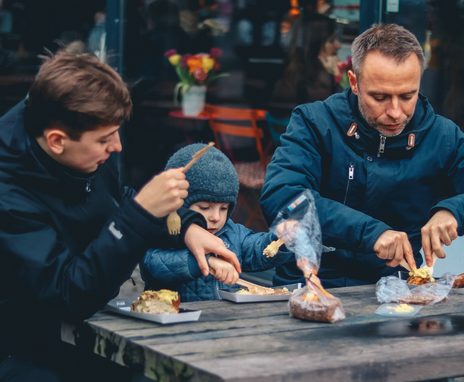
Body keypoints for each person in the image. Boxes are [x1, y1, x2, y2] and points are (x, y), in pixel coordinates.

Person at [0, 52, 240, 381]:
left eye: (117, 132)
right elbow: (68, 294)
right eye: (105, 139)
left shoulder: (83, 146)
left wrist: (185, 228)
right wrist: (139, 213)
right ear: (57, 141)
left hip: (75, 331)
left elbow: (114, 202)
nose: (117, 146)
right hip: (11, 347)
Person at [261, 23, 464, 289]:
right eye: (379, 97)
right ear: (354, 83)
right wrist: (371, 233)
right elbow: (282, 196)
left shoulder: (444, 136)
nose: (395, 111)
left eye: (407, 96)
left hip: (400, 288)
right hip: (310, 283)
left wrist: (453, 212)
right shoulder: (314, 122)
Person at [140, 143, 293, 301]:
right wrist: (205, 262)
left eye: (224, 208)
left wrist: (280, 239)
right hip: (176, 319)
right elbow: (151, 265)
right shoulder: (168, 233)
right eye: (205, 207)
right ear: (179, 206)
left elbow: (258, 251)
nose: (216, 217)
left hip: (223, 321)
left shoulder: (233, 234)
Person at [270, 12, 342, 119]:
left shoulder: (284, 82)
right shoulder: (326, 87)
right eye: (332, 40)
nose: (338, 45)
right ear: (317, 45)